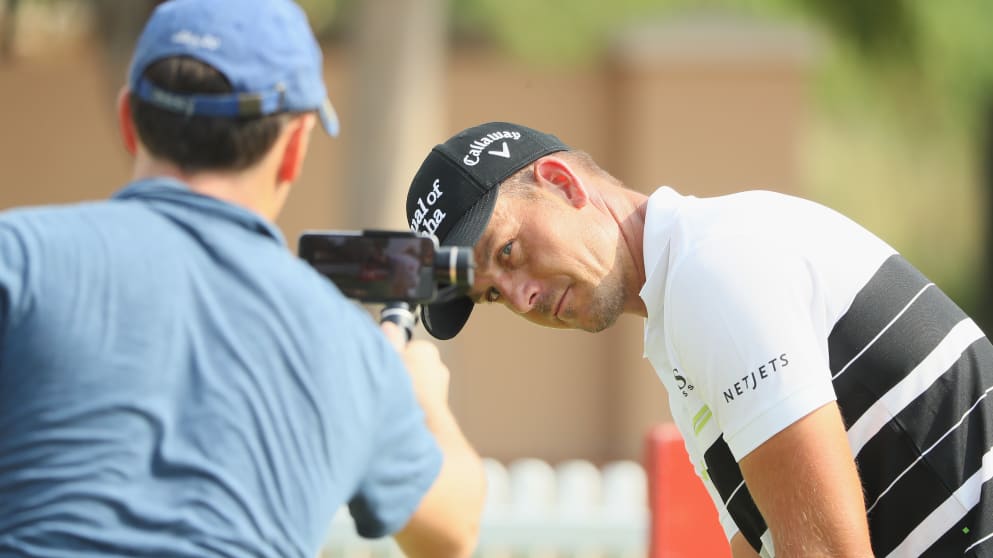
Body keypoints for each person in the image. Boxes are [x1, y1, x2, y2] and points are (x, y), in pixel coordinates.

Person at [0, 1, 485, 557]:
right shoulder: (350, 351)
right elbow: (453, 531)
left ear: (129, 119)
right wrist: (422, 397)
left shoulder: (17, 260)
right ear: (294, 148)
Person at [404, 121, 993, 557]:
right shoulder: (682, 325)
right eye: (492, 295)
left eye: (507, 252)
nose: (521, 297)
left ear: (562, 183)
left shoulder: (710, 272)